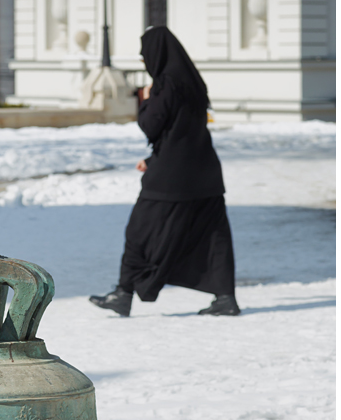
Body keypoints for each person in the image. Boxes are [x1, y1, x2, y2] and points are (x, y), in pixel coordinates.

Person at [89, 26, 240, 317]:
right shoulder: (194, 82)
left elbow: (151, 125)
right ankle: (225, 297)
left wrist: (144, 98)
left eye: (146, 55)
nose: (145, 61)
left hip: (172, 176)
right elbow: (180, 131)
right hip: (205, 171)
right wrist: (155, 156)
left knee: (139, 230)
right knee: (213, 234)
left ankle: (123, 293)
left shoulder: (166, 84)